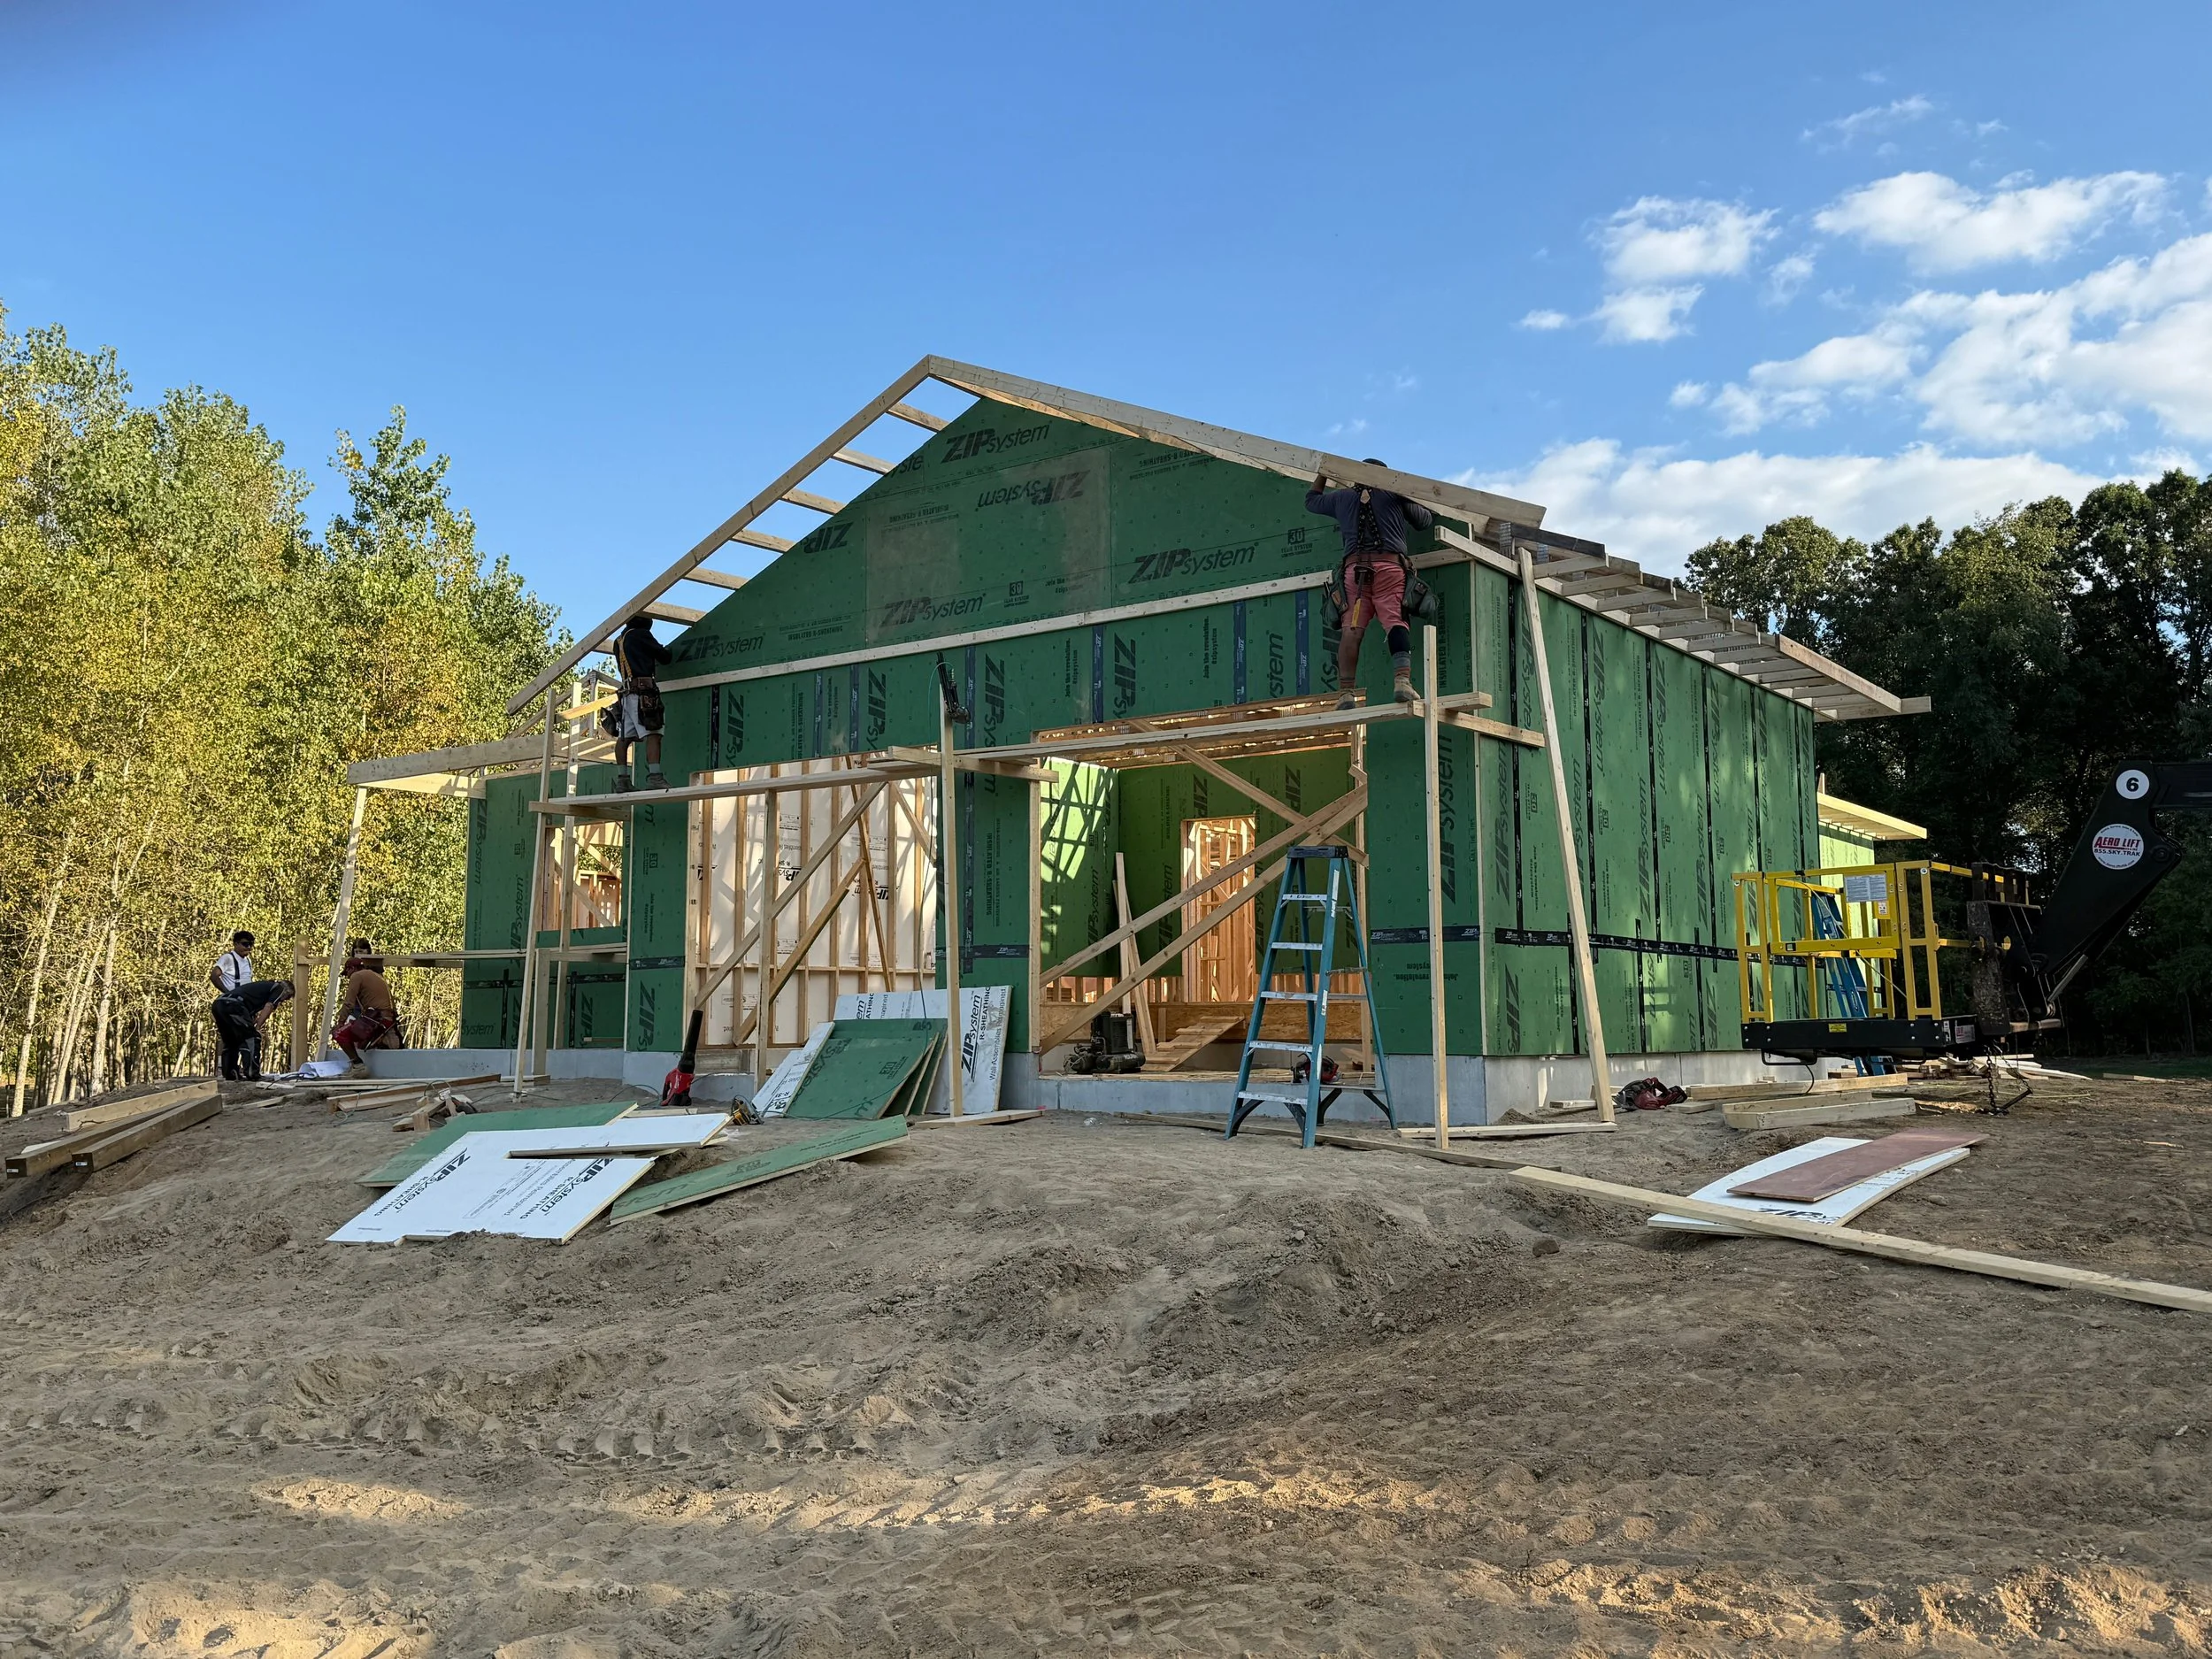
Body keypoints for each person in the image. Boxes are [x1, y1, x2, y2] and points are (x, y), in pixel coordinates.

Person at [1306, 460, 1433, 709]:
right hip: (1389, 570)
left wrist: (1323, 473)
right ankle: (1402, 681)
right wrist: (1406, 492)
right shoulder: (1394, 495)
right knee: (1395, 621)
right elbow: (1424, 521)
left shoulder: (1342, 498)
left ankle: (1345, 694)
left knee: (1351, 630)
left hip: (1355, 574)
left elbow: (1311, 501)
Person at [610, 613, 672, 792]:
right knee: (653, 733)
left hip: (626, 695)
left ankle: (623, 780)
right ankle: (655, 777)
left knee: (625, 738)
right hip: (643, 694)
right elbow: (665, 657)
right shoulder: (640, 635)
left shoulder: (619, 641)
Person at [331, 949, 403, 1067]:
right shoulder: (376, 975)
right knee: (358, 1039)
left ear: (351, 969)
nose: (348, 977)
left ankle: (358, 1066)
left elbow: (348, 1004)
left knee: (339, 1034)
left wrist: (340, 1024)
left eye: (347, 973)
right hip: (388, 1020)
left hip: (376, 1020)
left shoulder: (356, 976)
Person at [211, 979, 294, 1082]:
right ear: (287, 991)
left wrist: (252, 1021)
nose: (281, 1002)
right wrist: (258, 1026)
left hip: (219, 1004)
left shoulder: (262, 987)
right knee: (252, 1037)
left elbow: (248, 1010)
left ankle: (230, 1073)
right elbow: (269, 1006)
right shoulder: (279, 988)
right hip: (234, 1005)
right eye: (286, 998)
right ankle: (252, 1073)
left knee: (231, 1040)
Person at [209, 931, 254, 995]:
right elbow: (214, 976)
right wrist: (228, 994)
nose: (249, 947)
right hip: (234, 1001)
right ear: (236, 944)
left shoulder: (248, 960)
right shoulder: (228, 958)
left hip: (247, 999)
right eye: (245, 944)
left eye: (251, 944)